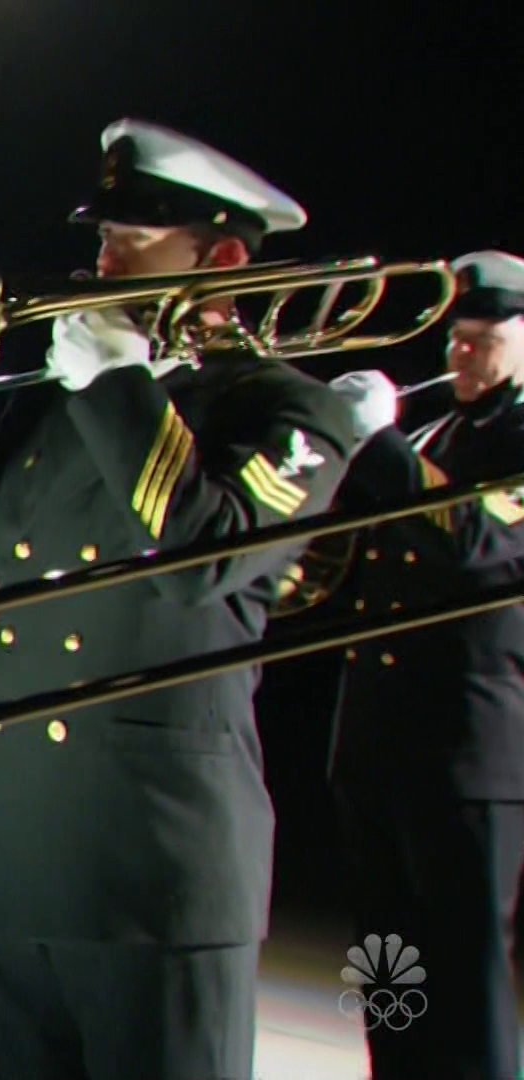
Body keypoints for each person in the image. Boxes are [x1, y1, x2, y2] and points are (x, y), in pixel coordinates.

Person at [0, 119, 357, 1079]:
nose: (102, 259)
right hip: (16, 858)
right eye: (104, 236)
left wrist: (123, 385)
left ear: (222, 260)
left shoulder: (287, 410)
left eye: (132, 239)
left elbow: (203, 557)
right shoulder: (54, 401)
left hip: (157, 873)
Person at [323, 249, 524, 1079]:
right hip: (378, 743)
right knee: (386, 968)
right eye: (456, 337)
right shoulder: (434, 434)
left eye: (484, 338)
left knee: (466, 978)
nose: (462, 353)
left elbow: (473, 539)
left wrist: (378, 445)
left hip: (464, 753)